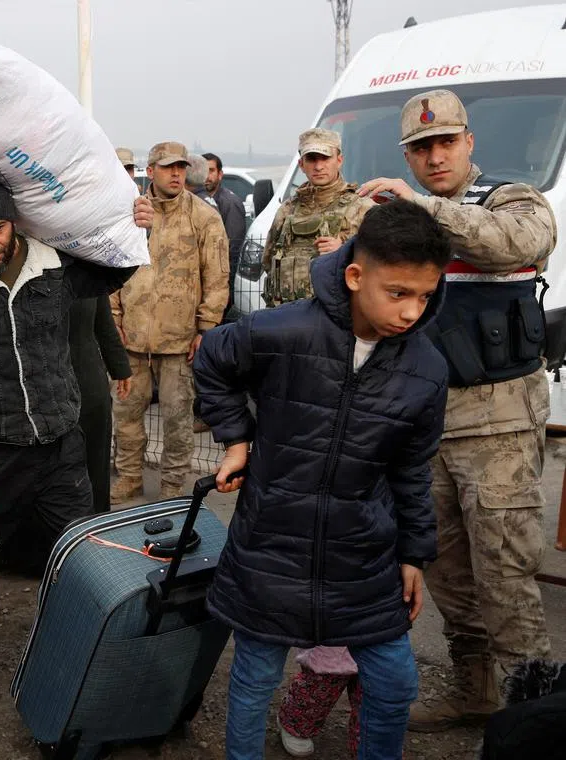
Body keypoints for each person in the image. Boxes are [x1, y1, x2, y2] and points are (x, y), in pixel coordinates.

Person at [194, 199, 451, 759]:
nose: (411, 312)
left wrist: (414, 553)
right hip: (271, 542)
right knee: (255, 676)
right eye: (398, 293)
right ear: (356, 276)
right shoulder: (282, 330)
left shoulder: (426, 369)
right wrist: (237, 438)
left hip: (364, 554)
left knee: (395, 682)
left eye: (425, 296)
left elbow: (412, 469)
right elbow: (212, 358)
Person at [0, 169, 151, 695]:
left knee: (87, 549)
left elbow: (115, 270)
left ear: (13, 222)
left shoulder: (54, 263)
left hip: (62, 437)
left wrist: (137, 229)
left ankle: (89, 640)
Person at [358, 89, 558, 733]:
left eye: (446, 142)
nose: (435, 155)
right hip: (424, 422)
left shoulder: (511, 198)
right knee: (445, 568)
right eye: (421, 147)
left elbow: (514, 243)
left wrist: (421, 207)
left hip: (497, 422)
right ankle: (476, 693)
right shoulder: (402, 215)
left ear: (469, 142)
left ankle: (533, 719)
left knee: (505, 571)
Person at [110, 141, 229, 503]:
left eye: (181, 167)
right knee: (126, 418)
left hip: (179, 343)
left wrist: (206, 329)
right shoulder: (130, 214)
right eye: (167, 167)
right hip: (131, 342)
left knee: (178, 422)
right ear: (151, 171)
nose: (176, 174)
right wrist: (113, 316)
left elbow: (218, 277)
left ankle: (173, 488)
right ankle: (129, 478)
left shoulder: (204, 217)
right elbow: (111, 266)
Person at [262, 129, 374, 306]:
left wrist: (345, 250)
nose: (319, 166)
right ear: (301, 164)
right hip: (284, 316)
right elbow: (268, 260)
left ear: (339, 160)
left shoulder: (362, 207)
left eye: (325, 158)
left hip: (335, 317)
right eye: (312, 159)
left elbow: (381, 265)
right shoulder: (287, 209)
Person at [69, 296, 131, 514]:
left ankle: (96, 526)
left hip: (89, 381)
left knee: (95, 464)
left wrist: (119, 366)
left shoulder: (87, 268)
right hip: (44, 385)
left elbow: (103, 322)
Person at [200, 153, 248, 312]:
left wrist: (226, 288)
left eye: (211, 171)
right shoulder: (200, 199)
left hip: (220, 282)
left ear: (220, 174)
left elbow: (232, 249)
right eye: (202, 171)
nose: (206, 176)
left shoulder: (229, 203)